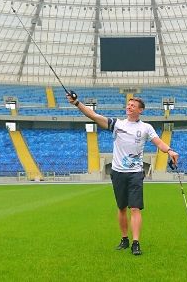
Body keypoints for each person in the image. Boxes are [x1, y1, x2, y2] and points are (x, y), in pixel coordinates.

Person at [68, 93, 179, 256]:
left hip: (135, 173)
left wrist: (169, 150)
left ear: (140, 110)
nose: (129, 106)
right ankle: (124, 239)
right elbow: (92, 115)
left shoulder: (146, 128)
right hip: (118, 172)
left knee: (135, 208)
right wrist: (77, 103)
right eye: (128, 104)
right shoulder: (117, 124)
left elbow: (158, 142)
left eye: (133, 105)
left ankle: (135, 242)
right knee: (121, 208)